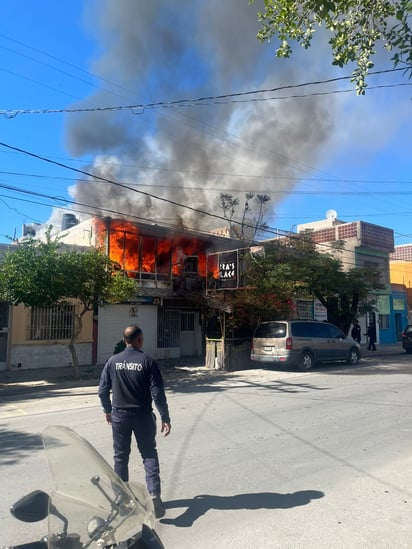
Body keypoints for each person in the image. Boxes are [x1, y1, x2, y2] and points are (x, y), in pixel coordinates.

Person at [98, 325, 171, 518]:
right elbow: (157, 394)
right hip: (143, 416)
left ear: (125, 341)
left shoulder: (112, 361)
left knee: (121, 457)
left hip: (120, 416)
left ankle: (123, 500)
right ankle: (154, 494)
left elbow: (102, 391)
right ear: (139, 340)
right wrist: (165, 417)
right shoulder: (147, 362)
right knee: (148, 454)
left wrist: (107, 410)